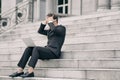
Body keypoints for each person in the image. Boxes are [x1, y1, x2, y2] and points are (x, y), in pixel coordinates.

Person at [9, 13, 66, 78]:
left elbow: (55, 30)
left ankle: (30, 71)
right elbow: (40, 31)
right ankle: (20, 70)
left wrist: (50, 22)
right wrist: (44, 23)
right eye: (47, 18)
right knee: (29, 48)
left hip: (54, 52)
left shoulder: (62, 28)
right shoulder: (50, 30)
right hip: (48, 51)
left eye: (49, 18)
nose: (47, 20)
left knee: (37, 48)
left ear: (55, 19)